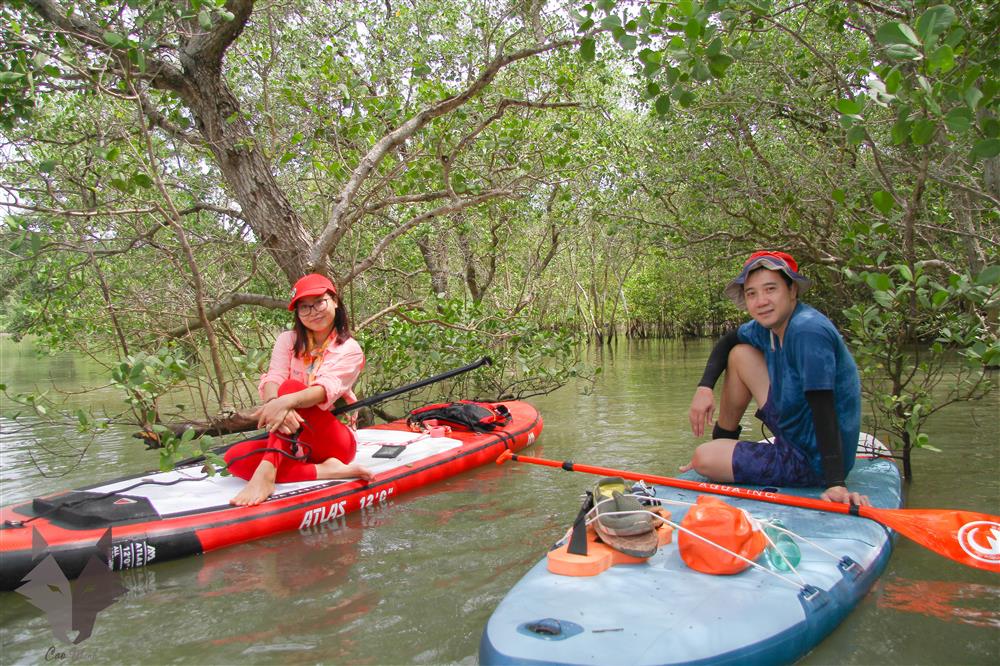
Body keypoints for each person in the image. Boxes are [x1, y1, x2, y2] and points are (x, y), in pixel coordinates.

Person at [681, 251, 869, 506]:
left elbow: (823, 406)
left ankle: (719, 457)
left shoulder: (807, 331)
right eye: (752, 293)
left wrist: (835, 482)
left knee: (703, 458)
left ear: (792, 290)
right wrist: (704, 388)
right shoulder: (766, 328)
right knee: (739, 354)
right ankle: (724, 448)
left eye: (771, 289)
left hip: (811, 460)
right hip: (793, 428)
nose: (761, 301)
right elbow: (727, 342)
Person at [227, 273, 374, 506]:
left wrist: (283, 402)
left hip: (335, 442)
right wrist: (274, 403)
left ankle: (268, 470)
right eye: (304, 307)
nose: (313, 312)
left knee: (291, 388)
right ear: (297, 313)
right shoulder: (287, 340)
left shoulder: (349, 349)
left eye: (319, 302)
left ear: (335, 301)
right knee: (233, 458)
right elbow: (273, 377)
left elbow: (323, 391)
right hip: (295, 442)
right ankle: (326, 471)